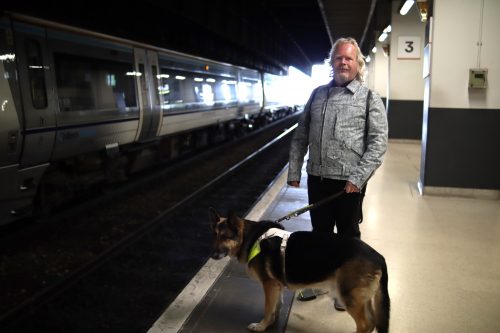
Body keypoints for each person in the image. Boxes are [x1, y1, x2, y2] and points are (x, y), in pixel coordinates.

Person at [287, 37, 388, 306]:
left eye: (349, 58)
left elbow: (378, 142)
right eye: (339, 58)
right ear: (331, 62)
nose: (343, 62)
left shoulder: (369, 98)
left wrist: (358, 177)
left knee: (347, 238)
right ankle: (320, 284)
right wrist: (295, 170)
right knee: (319, 236)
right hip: (318, 178)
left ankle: (348, 287)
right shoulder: (318, 94)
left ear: (358, 64)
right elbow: (301, 135)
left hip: (348, 184)